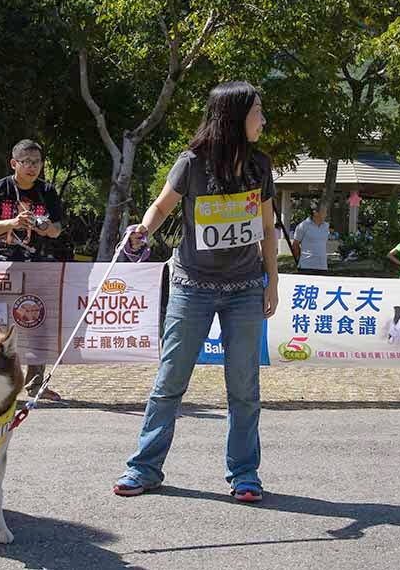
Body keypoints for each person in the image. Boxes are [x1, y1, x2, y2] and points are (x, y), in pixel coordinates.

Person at [113, 81, 278, 504]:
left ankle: (244, 475)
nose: (263, 119)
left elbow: (266, 229)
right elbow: (162, 206)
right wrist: (141, 231)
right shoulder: (192, 163)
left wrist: (271, 281)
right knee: (170, 383)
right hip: (191, 287)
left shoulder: (260, 166)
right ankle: (144, 468)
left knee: (244, 389)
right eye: (257, 110)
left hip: (244, 290)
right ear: (235, 116)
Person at [0, 139, 64, 401]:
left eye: (36, 162)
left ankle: (36, 383)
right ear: (14, 163)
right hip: (0, 263)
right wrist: (13, 222)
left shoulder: (48, 191)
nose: (32, 167)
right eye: (26, 162)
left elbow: (57, 230)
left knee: (38, 322)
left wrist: (44, 227)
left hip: (37, 263)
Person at [292, 202, 329, 273]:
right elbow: (295, 245)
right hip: (306, 266)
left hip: (322, 266)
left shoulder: (326, 226)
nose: (326, 215)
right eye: (324, 212)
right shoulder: (303, 226)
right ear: (315, 213)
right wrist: (300, 259)